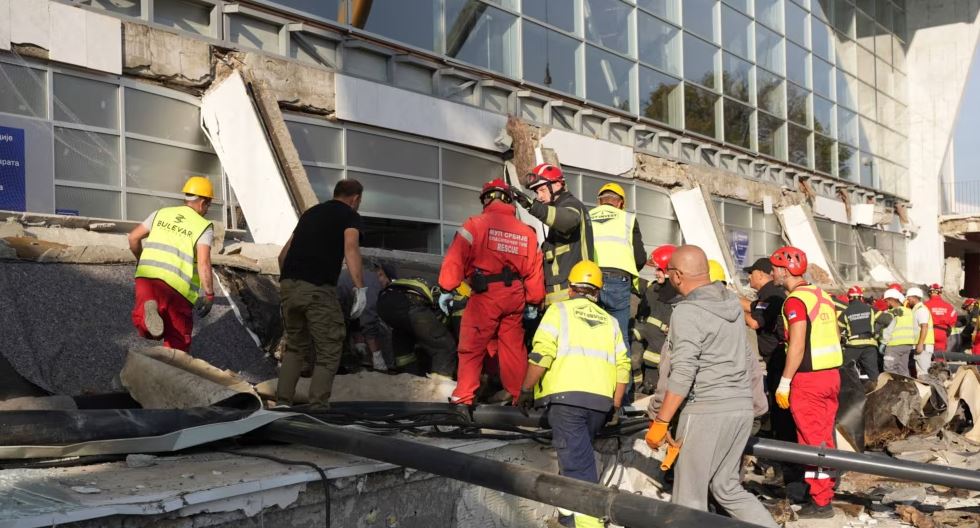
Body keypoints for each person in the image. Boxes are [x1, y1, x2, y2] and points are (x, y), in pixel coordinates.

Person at [643, 245, 777, 528]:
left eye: (668, 274)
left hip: (706, 412)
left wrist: (661, 420)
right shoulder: (731, 305)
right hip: (740, 410)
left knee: (689, 499)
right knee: (726, 488)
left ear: (678, 275)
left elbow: (682, 373)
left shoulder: (688, 312)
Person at [517, 260, 630, 528]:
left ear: (570, 288)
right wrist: (615, 405)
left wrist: (525, 390)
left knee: (578, 469)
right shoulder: (611, 322)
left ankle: (587, 524)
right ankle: (568, 517)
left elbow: (542, 354)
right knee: (575, 460)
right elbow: (623, 366)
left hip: (568, 404)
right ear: (598, 292)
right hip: (599, 405)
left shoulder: (559, 311)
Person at [438, 179, 545, 405]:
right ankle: (519, 398)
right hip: (515, 297)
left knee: (471, 347)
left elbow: (455, 258)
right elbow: (534, 271)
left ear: (487, 199)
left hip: (486, 295)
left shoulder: (475, 224)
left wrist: (447, 286)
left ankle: (463, 398)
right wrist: (534, 301)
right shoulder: (528, 232)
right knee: (513, 350)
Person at [275, 179, 366, 408]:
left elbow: (282, 255)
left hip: (289, 285)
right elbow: (351, 248)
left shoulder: (310, 213)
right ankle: (318, 409)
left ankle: (283, 403)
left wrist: (290, 282)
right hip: (317, 290)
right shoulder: (349, 215)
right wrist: (360, 287)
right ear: (355, 199)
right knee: (329, 349)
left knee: (296, 347)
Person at [770, 246, 843, 519]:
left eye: (775, 267)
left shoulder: (794, 301)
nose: (772, 272)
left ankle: (822, 501)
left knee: (811, 441)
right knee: (824, 437)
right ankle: (825, 488)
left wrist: (784, 382)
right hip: (831, 375)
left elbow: (797, 344)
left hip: (809, 380)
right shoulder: (821, 295)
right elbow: (836, 332)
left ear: (785, 270)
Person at [128, 176, 217, 352]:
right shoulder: (203, 226)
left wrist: (141, 260)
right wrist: (209, 294)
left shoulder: (160, 213)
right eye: (208, 205)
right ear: (202, 202)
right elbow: (204, 263)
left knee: (146, 325)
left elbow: (133, 237)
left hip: (146, 278)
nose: (207, 210)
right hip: (177, 288)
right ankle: (172, 372)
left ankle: (149, 314)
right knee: (178, 340)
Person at [510, 163, 591, 307]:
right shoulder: (558, 208)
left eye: (542, 190)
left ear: (558, 185)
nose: (539, 197)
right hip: (563, 297)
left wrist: (532, 206)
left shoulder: (572, 204)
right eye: (537, 192)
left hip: (572, 296)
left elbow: (567, 220)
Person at [586, 182, 646, 342]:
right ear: (620, 203)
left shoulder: (587, 216)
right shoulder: (628, 218)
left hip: (591, 280)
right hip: (619, 280)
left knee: (592, 334)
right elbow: (640, 258)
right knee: (619, 336)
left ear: (599, 201)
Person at [376, 276, 456, 379]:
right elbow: (436, 326)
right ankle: (439, 385)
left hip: (384, 303)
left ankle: (407, 377)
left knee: (404, 336)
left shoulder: (429, 283)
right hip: (410, 303)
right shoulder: (444, 297)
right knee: (444, 346)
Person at [632, 244, 680, 394]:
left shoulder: (682, 298)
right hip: (648, 366)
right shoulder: (652, 290)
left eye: (659, 269)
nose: (655, 273)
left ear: (669, 270)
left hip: (668, 369)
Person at [839, 286, 879, 385]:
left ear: (849, 298)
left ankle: (849, 394)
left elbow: (838, 330)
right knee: (873, 374)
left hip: (853, 346)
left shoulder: (846, 312)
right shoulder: (871, 309)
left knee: (845, 371)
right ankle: (877, 392)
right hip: (870, 345)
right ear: (861, 297)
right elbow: (887, 319)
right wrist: (877, 333)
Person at [879, 288, 915, 376]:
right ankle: (907, 387)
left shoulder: (891, 313)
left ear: (891, 300)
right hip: (908, 345)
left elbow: (888, 329)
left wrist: (883, 342)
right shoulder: (910, 312)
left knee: (889, 370)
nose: (886, 304)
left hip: (894, 345)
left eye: (887, 301)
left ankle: (894, 388)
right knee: (903, 370)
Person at [906, 287, 935, 378]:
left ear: (915, 297)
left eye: (909, 297)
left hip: (924, 344)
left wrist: (920, 344)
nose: (908, 300)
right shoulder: (916, 309)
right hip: (921, 344)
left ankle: (929, 391)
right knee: (921, 373)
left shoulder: (921, 310)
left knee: (924, 373)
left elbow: (924, 326)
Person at [925, 284, 956, 354]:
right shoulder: (948, 306)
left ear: (930, 292)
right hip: (942, 333)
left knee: (927, 356)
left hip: (928, 333)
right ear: (940, 293)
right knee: (940, 356)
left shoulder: (925, 305)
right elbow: (953, 320)